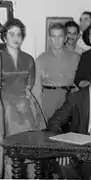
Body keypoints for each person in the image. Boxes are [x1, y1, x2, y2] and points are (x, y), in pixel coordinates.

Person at [0, 18, 46, 178]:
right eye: (11, 34)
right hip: (4, 105)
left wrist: (25, 98)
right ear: (4, 37)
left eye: (19, 34)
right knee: (10, 148)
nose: (15, 37)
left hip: (25, 104)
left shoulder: (28, 59)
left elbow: (29, 82)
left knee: (30, 145)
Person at [33, 23, 80, 120]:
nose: (57, 40)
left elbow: (79, 83)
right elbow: (37, 88)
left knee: (70, 133)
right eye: (53, 37)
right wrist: (38, 111)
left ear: (65, 38)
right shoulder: (41, 59)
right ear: (49, 38)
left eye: (60, 36)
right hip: (49, 99)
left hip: (70, 98)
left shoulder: (76, 58)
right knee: (50, 132)